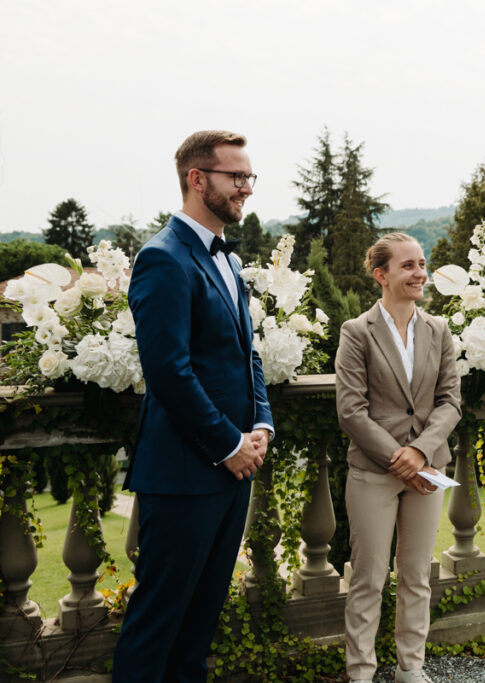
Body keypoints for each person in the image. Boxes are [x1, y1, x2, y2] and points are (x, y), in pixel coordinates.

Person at [113, 130, 273, 682]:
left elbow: (247, 354)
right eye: (236, 176)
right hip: (184, 474)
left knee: (199, 625)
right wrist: (229, 445)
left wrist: (260, 423)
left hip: (233, 473)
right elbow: (168, 372)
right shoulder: (163, 258)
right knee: (158, 620)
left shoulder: (228, 262)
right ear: (197, 179)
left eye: (250, 177)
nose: (247, 189)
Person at [335, 233, 461, 683]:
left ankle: (411, 668)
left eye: (422, 264)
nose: (420, 273)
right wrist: (398, 457)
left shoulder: (439, 330)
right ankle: (362, 672)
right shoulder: (356, 332)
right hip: (373, 471)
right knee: (368, 578)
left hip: (429, 469)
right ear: (381, 275)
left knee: (416, 575)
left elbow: (450, 402)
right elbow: (350, 410)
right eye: (408, 266)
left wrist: (420, 452)